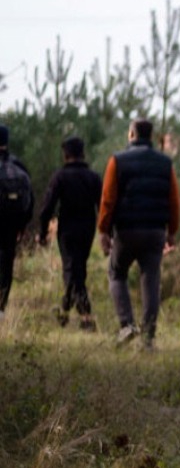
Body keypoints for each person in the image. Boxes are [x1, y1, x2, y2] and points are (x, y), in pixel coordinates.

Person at [97, 118, 180, 349]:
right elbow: (174, 200)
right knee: (151, 279)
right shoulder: (165, 163)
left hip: (126, 230)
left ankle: (127, 325)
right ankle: (148, 338)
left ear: (131, 134)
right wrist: (171, 232)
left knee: (116, 273)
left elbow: (108, 198)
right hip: (155, 232)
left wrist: (104, 230)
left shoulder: (117, 161)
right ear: (151, 136)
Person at [37, 136, 103, 330]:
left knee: (71, 269)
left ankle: (85, 317)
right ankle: (69, 311)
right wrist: (106, 231)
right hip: (87, 229)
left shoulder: (60, 177)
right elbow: (103, 206)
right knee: (78, 268)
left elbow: (47, 207)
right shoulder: (93, 177)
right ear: (83, 154)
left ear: (65, 155)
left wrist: (42, 232)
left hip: (66, 230)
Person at [0, 124, 34, 318]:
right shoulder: (18, 166)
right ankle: (1, 307)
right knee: (6, 263)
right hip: (10, 226)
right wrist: (22, 225)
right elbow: (29, 200)